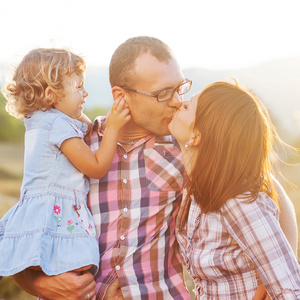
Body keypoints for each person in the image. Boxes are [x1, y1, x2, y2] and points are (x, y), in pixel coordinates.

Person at [11, 37, 298, 300]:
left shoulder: (186, 147)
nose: (176, 102)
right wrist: (36, 284)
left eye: (179, 88)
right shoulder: (73, 146)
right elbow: (30, 221)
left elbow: (268, 198)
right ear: (121, 96)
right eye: (163, 93)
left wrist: (265, 286)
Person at [0, 48, 130, 298]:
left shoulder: (40, 119)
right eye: (79, 87)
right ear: (51, 94)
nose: (86, 93)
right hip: (57, 211)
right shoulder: (58, 125)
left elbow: (82, 124)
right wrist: (112, 128)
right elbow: (96, 167)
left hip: (41, 209)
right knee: (77, 270)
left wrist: (75, 108)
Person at [170, 80, 300, 299]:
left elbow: (289, 287)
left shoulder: (236, 201)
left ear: (197, 135)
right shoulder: (195, 192)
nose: (178, 104)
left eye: (186, 107)